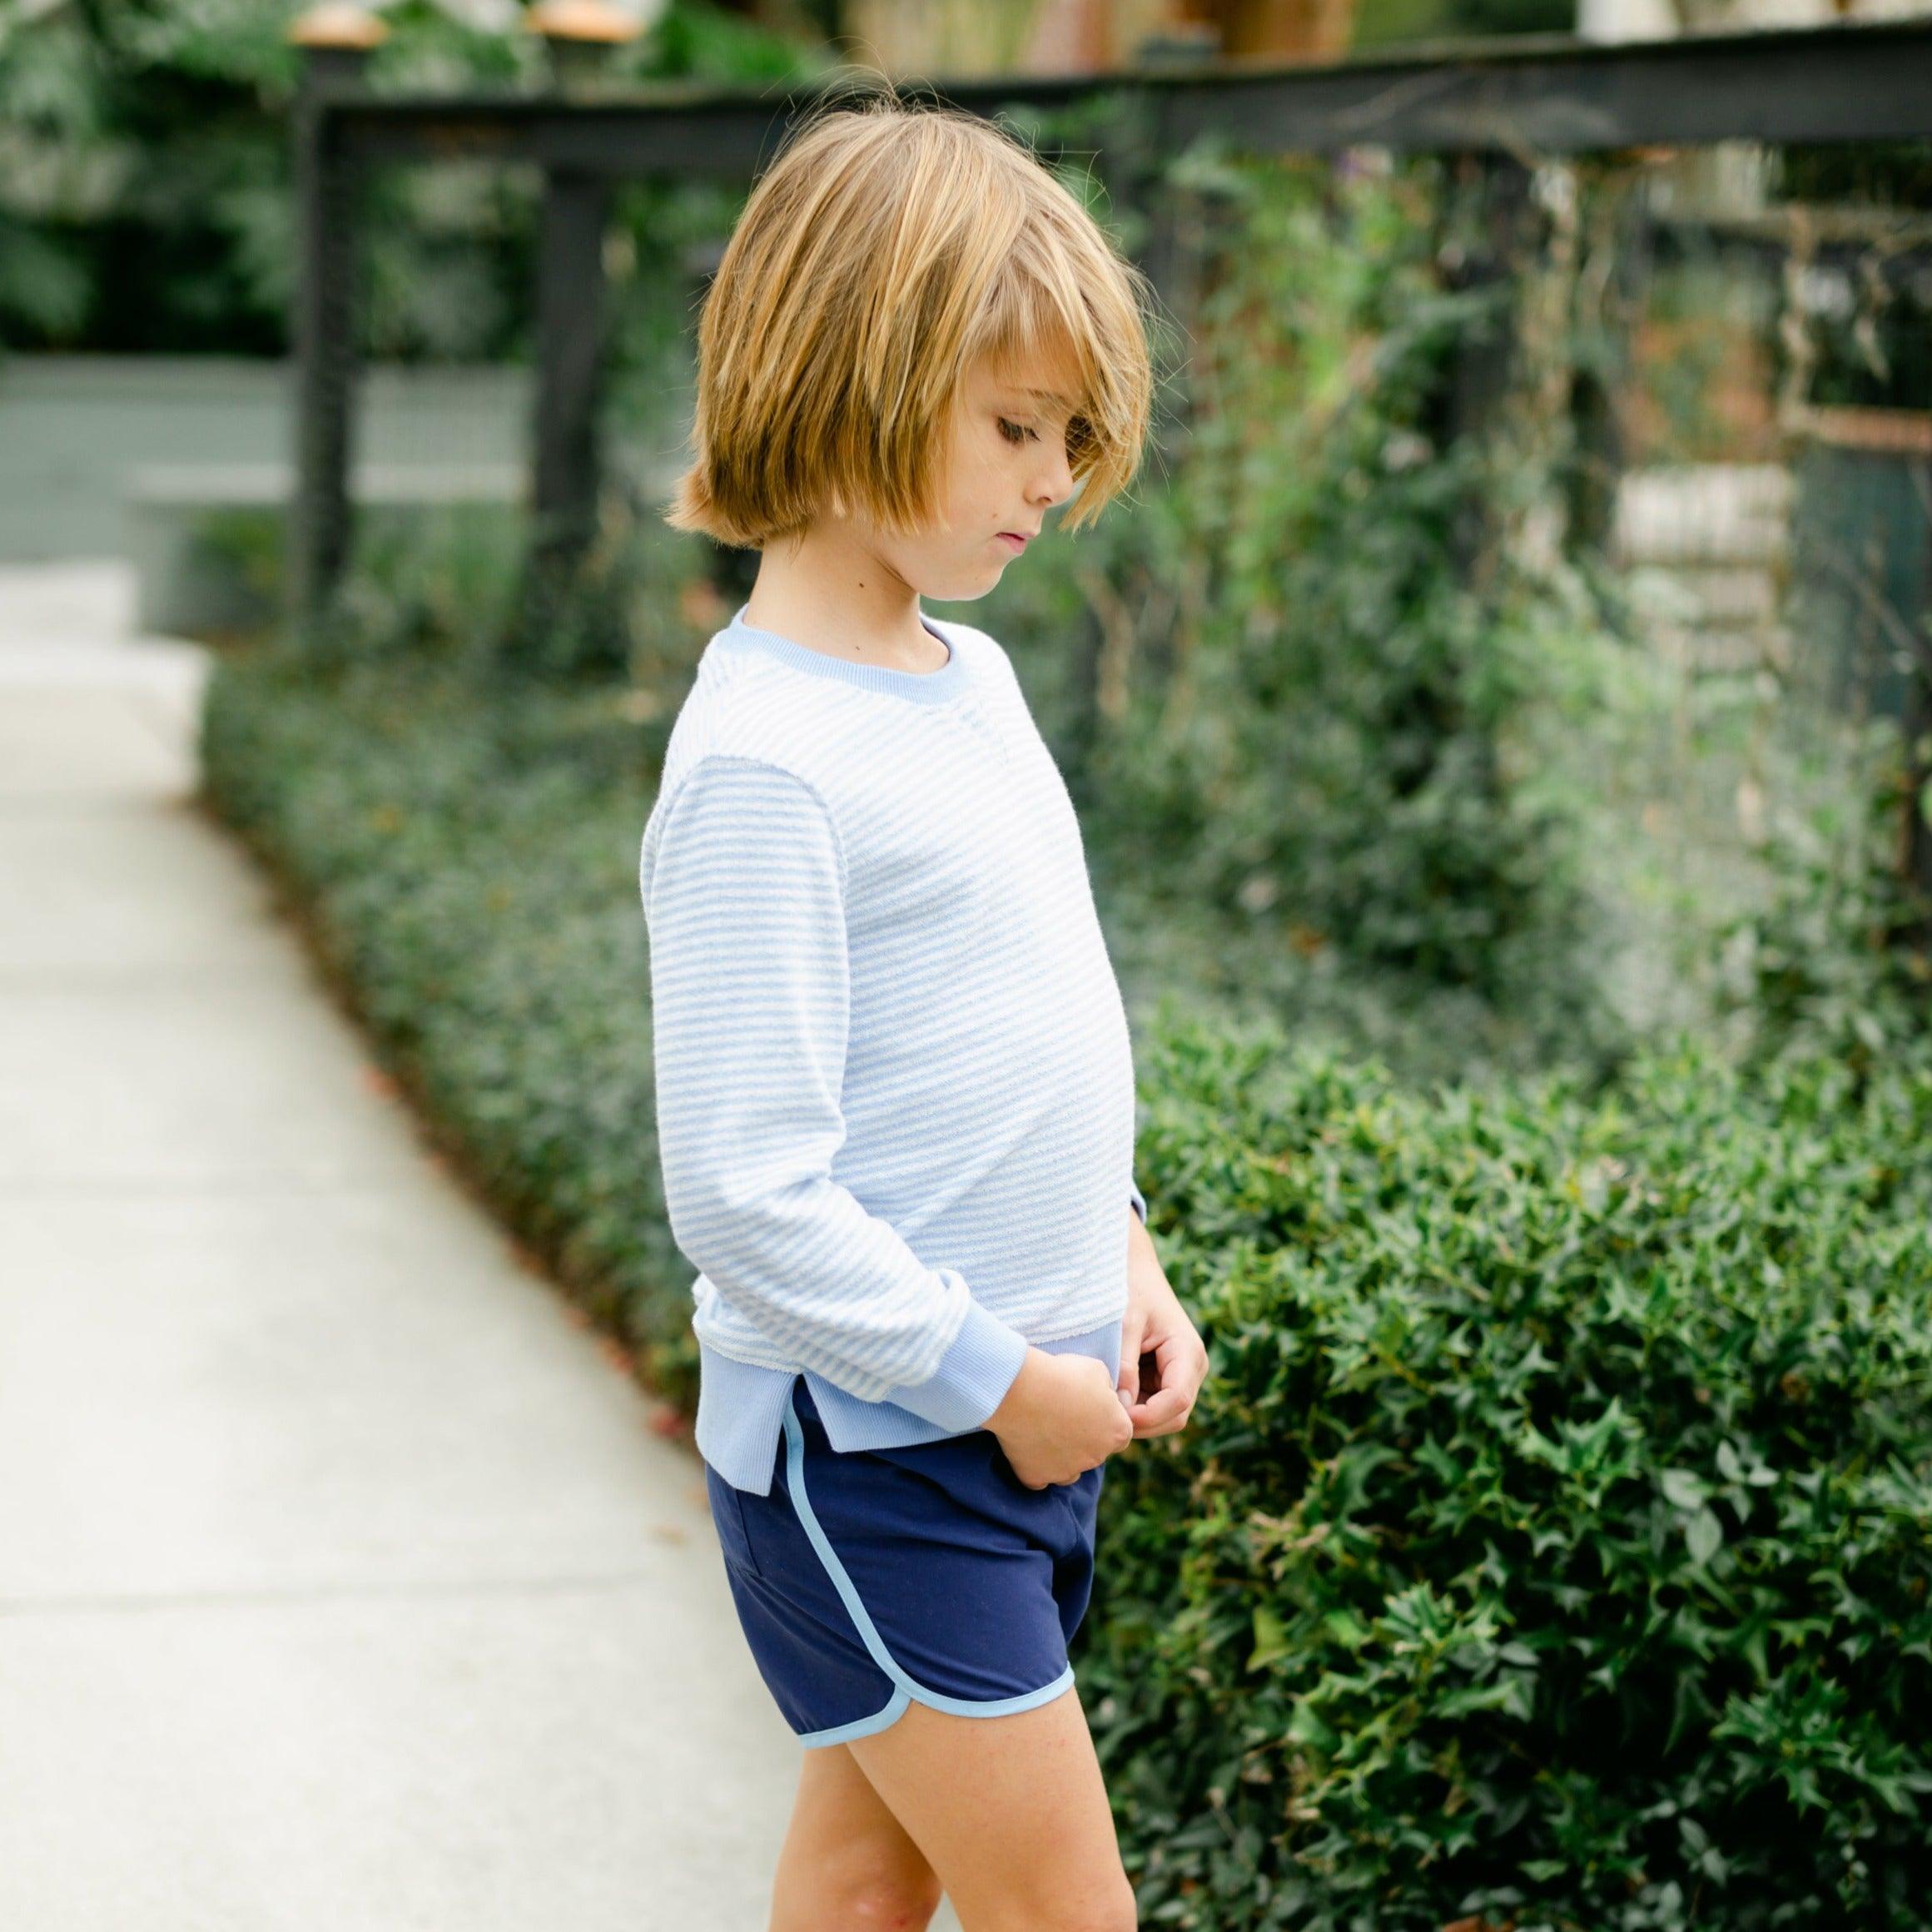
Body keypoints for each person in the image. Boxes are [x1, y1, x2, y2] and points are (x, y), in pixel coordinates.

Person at [639, 87, 1209, 1932]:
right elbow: (746, 1195)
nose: (1054, 480)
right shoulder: (763, 769)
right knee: (1070, 1914)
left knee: (868, 1884)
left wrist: (1121, 1254)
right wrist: (1002, 1386)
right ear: (846, 376)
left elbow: (1026, 1024)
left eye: (1069, 434)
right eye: (1013, 426)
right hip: (882, 1459)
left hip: (1013, 1414)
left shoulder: (971, 683)